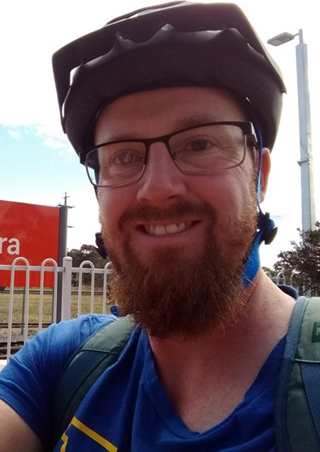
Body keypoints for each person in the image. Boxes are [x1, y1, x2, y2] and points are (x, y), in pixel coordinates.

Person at [0, 2, 298, 451]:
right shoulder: (60, 365)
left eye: (200, 143)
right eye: (123, 156)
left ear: (262, 176)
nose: (157, 189)